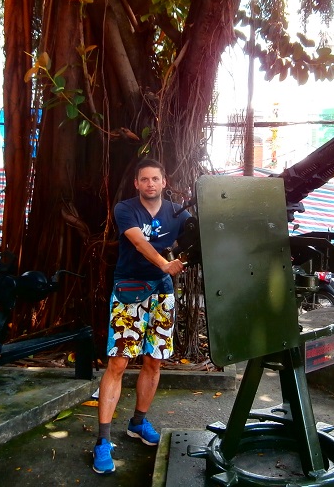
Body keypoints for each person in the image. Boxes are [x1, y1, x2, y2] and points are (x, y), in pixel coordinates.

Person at [92, 158, 191, 474]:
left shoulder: (178, 213)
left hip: (163, 292)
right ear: (137, 183)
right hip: (130, 290)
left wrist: (185, 257)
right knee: (118, 363)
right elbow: (138, 241)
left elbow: (198, 238)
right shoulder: (126, 209)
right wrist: (165, 263)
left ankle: (138, 422)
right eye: (144, 179)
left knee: (154, 360)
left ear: (164, 182)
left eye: (155, 179)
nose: (150, 184)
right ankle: (103, 441)